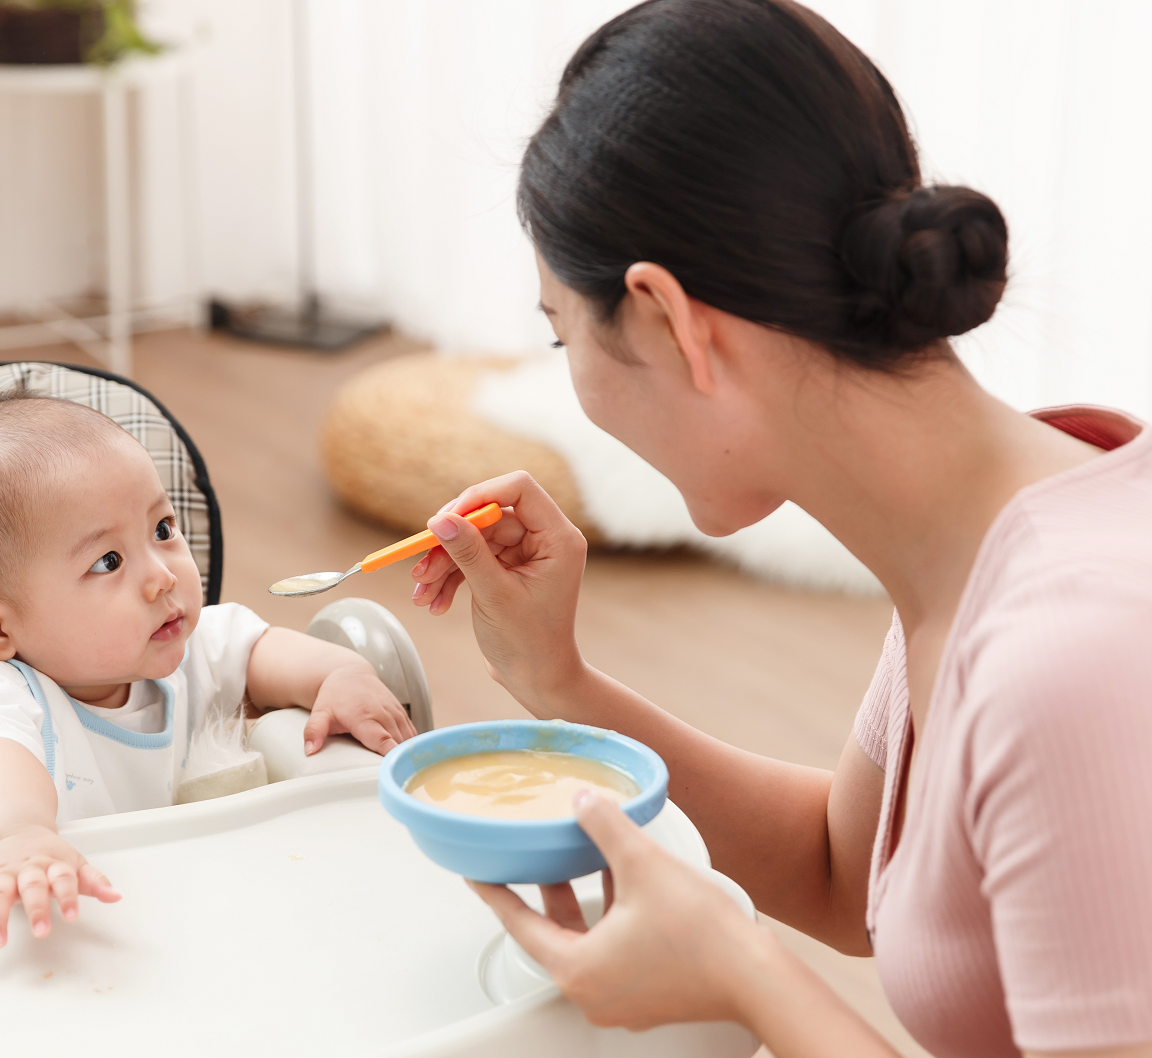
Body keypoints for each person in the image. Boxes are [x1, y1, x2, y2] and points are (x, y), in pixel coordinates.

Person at [407, 2, 1152, 1056]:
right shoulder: (979, 534)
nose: (566, 370)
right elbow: (844, 874)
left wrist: (746, 976)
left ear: (669, 320)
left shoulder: (1071, 655)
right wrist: (558, 683)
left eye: (560, 330)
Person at [0, 391, 414, 947]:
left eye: (162, 529)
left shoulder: (173, 639)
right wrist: (18, 839)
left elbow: (261, 650)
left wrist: (340, 674)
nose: (163, 575)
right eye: (107, 561)